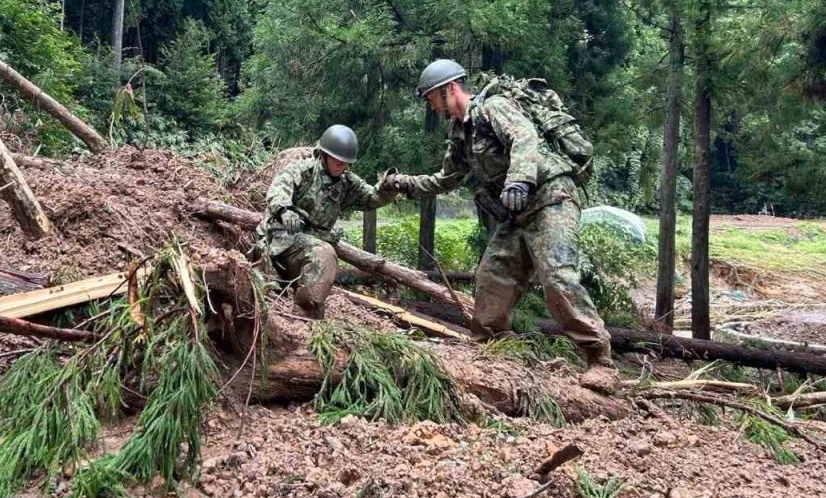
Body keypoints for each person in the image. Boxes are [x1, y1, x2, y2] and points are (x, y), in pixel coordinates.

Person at [385, 59, 616, 389]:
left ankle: (600, 360)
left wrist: (519, 181)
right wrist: (404, 184)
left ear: (450, 89)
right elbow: (446, 179)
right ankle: (494, 350)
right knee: (492, 279)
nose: (432, 106)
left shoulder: (494, 106)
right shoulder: (461, 133)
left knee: (557, 278)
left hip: (551, 199)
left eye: (432, 98)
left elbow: (525, 136)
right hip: (516, 215)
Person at [255, 124, 398, 318]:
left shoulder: (347, 182)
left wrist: (389, 187)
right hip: (282, 241)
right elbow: (278, 189)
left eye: (345, 162)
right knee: (323, 254)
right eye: (337, 160)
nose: (341, 166)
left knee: (319, 267)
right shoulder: (304, 170)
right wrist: (285, 210)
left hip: (308, 245)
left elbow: (371, 198)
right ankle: (303, 314)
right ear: (323, 155)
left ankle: (306, 315)